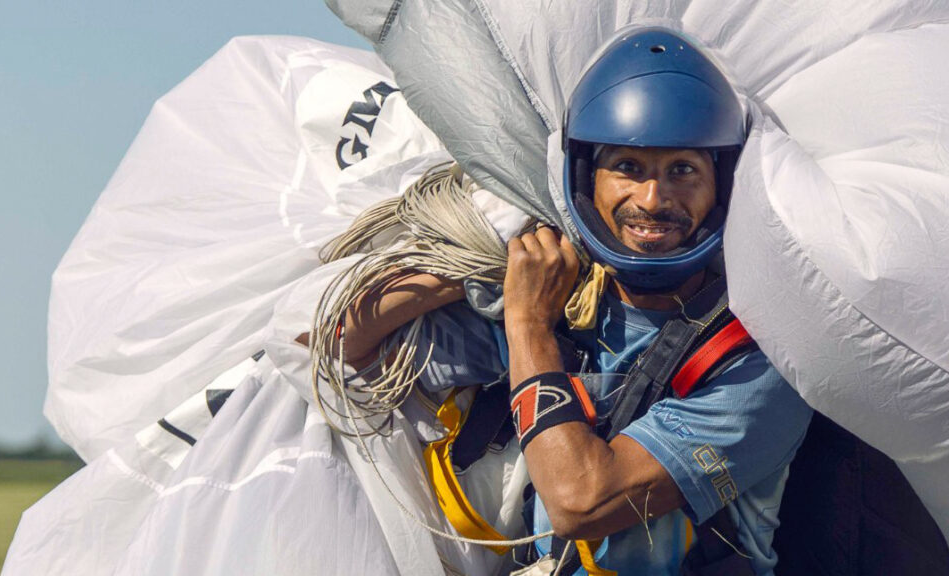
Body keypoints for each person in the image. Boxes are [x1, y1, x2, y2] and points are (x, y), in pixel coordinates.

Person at [336, 27, 811, 576]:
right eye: (628, 168)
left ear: (720, 187)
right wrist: (480, 260)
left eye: (682, 170)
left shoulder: (755, 360)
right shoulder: (565, 297)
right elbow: (345, 342)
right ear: (588, 179)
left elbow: (582, 500)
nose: (653, 200)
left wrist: (529, 327)